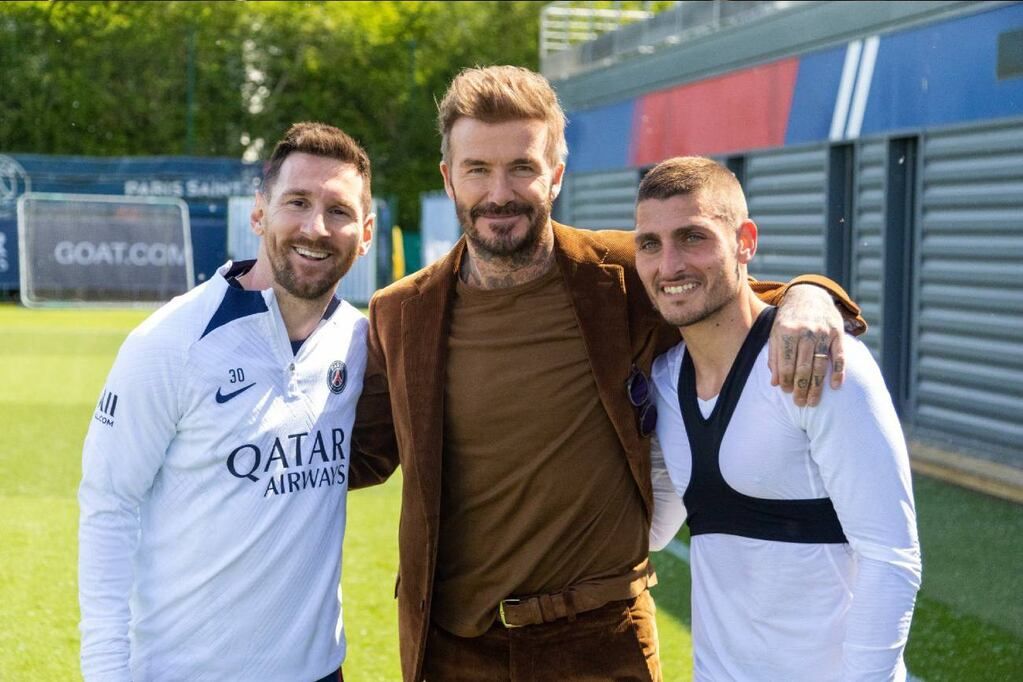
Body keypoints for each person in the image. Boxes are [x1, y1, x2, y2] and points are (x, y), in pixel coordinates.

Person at [350, 65, 866, 681]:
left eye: (522, 168)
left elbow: (740, 293)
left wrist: (810, 296)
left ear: (557, 175)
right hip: (457, 649)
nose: (499, 193)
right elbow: (356, 455)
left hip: (601, 641)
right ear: (449, 178)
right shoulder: (400, 313)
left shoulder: (621, 276)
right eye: (477, 170)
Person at [78, 122, 374, 682]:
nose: (316, 227)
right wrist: (105, 672)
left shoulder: (361, 343)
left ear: (365, 233)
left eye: (339, 210)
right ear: (259, 214)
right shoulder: (168, 343)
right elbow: (108, 506)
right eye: (297, 202)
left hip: (320, 672)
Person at [638, 156, 921, 680]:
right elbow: (653, 531)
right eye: (650, 244)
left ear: (745, 241)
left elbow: (892, 557)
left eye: (693, 237)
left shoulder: (820, 363)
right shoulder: (663, 383)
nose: (669, 265)